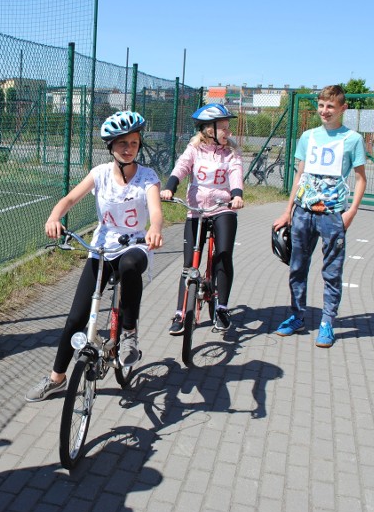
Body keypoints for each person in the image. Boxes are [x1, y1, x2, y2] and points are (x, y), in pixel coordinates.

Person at [25, 111, 164, 402]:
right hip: (101, 248)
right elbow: (69, 199)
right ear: (111, 146)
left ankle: (128, 332)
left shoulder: (148, 176)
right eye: (122, 143)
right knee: (76, 318)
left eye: (134, 143)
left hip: (134, 245)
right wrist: (54, 217)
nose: (129, 148)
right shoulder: (100, 173)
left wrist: (154, 229)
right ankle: (56, 378)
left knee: (129, 266)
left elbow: (155, 211)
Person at [272, 84, 367, 348]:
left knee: (332, 272)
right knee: (297, 267)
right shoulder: (308, 137)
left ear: (342, 109)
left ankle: (327, 322)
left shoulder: (353, 140)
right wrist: (287, 211)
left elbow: (361, 179)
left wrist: (351, 212)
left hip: (333, 215)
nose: (325, 111)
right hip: (303, 213)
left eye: (331, 107)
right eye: (322, 106)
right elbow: (299, 175)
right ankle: (296, 316)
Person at [160, 103, 244, 333]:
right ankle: (179, 314)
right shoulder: (194, 150)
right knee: (189, 264)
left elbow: (236, 175)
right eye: (223, 128)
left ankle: (222, 309)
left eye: (228, 127)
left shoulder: (232, 153)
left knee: (224, 255)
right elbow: (181, 167)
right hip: (196, 209)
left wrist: (236, 196)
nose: (228, 132)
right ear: (209, 129)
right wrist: (170, 188)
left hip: (223, 207)